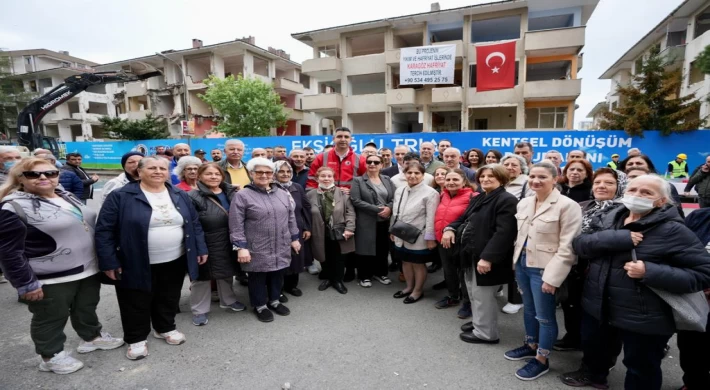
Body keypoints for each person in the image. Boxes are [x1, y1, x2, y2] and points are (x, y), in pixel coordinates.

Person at [567, 175, 710, 389]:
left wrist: (650, 271)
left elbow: (703, 273)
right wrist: (617, 238)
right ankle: (595, 377)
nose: (637, 196)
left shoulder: (673, 230)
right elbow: (579, 245)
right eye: (633, 190)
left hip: (644, 316)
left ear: (661, 201)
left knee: (640, 368)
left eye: (646, 193)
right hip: (599, 306)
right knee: (596, 350)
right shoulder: (609, 217)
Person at [0, 158, 124, 374]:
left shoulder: (65, 195)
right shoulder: (13, 207)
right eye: (33, 174)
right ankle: (50, 355)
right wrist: (25, 284)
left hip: (87, 269)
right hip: (51, 277)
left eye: (50, 173)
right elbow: (9, 252)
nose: (43, 178)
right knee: (50, 316)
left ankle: (91, 338)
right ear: (20, 179)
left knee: (86, 306)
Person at [96, 156, 208, 360]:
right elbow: (104, 230)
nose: (158, 172)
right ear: (139, 172)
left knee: (168, 295)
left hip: (175, 257)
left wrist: (200, 248)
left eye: (162, 168)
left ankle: (165, 327)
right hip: (134, 259)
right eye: (152, 168)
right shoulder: (121, 196)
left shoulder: (177, 194)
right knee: (135, 299)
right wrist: (109, 260)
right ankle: (136, 338)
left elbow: (194, 223)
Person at [504, 161, 582, 381]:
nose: (536, 181)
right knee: (528, 309)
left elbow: (568, 247)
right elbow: (520, 237)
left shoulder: (568, 206)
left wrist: (553, 278)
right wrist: (515, 262)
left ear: (555, 179)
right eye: (533, 177)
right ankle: (531, 344)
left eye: (542, 177)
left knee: (545, 317)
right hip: (523, 265)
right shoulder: (525, 203)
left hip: (545, 270)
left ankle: (542, 359)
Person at [559, 168, 627, 384]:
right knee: (581, 320)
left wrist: (583, 244)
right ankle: (589, 361)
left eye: (609, 183)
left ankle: (596, 374)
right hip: (578, 272)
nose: (601, 186)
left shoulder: (625, 211)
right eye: (598, 182)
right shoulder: (584, 206)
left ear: (620, 186)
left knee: (602, 328)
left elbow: (607, 243)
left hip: (605, 276)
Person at [444, 164, 517, 344]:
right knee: (474, 293)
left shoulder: (506, 200)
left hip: (485, 258)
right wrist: (450, 228)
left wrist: (488, 258)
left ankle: (486, 333)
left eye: (490, 176)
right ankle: (479, 323)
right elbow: (463, 218)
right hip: (470, 255)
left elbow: (504, 233)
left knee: (483, 296)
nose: (485, 179)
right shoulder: (481, 197)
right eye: (482, 176)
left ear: (501, 178)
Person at [229, 157, 300, 322]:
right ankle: (260, 305)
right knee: (258, 276)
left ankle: (274, 301)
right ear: (251, 173)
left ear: (273, 174)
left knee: (277, 273)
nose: (264, 175)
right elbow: (235, 224)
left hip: (281, 243)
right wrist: (240, 247)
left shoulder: (282, 193)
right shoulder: (242, 195)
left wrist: (294, 237)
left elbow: (291, 218)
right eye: (259, 172)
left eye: (268, 172)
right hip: (256, 245)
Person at [186, 163, 245, 326]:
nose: (213, 177)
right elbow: (192, 224)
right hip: (206, 241)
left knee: (227, 272)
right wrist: (199, 247)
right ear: (200, 176)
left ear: (222, 176)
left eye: (217, 174)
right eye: (208, 174)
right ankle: (199, 310)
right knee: (202, 277)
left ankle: (228, 300)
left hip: (229, 238)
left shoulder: (232, 192)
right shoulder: (193, 196)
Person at [390, 162, 440, 304]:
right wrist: (392, 229)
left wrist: (430, 238)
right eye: (409, 173)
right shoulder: (400, 190)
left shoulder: (431, 193)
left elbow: (431, 217)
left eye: (417, 173)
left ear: (423, 175)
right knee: (405, 261)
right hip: (400, 232)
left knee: (418, 264)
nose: (412, 176)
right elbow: (395, 213)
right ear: (404, 174)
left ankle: (418, 291)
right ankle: (409, 287)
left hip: (419, 234)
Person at [433, 169, 477, 311]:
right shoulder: (442, 195)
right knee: (449, 270)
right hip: (443, 241)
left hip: (462, 243)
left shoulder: (473, 197)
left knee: (464, 273)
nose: (451, 182)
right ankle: (453, 297)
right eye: (448, 180)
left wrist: (451, 229)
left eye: (455, 180)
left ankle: (468, 302)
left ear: (464, 182)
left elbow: (472, 220)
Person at [677, 207, 710, 390]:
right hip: (697, 297)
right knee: (691, 348)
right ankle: (693, 383)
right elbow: (679, 250)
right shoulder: (700, 216)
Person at [308, 167, 356, 294]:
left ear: (334, 178)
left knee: (339, 257)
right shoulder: (310, 194)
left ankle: (338, 280)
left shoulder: (343, 194)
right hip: (319, 232)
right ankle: (328, 278)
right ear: (317, 178)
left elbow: (350, 213)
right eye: (323, 176)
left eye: (329, 176)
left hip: (339, 231)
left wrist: (350, 228)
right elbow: (306, 214)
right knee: (324, 256)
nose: (326, 178)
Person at [350, 154, 395, 288]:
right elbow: (356, 200)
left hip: (384, 220)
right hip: (366, 220)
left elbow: (394, 198)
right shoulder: (358, 180)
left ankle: (380, 273)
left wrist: (389, 208)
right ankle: (364, 276)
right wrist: (377, 209)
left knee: (382, 248)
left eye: (376, 162)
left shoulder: (387, 179)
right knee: (365, 249)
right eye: (369, 162)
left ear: (381, 165)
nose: (372, 164)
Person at [273, 160, 312, 298]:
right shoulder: (271, 188)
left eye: (288, 171)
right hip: (278, 231)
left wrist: (307, 227)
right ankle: (279, 288)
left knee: (296, 258)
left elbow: (306, 208)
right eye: (281, 171)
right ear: (275, 173)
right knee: (280, 259)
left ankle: (292, 286)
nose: (285, 174)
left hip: (297, 228)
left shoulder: (296, 187)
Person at [306, 127, 366, 193]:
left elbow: (365, 181)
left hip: (350, 198)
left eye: (346, 137)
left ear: (351, 139)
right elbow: (312, 179)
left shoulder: (360, 159)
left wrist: (353, 191)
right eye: (339, 136)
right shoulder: (321, 157)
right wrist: (317, 193)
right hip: (325, 198)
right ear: (334, 139)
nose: (343, 139)